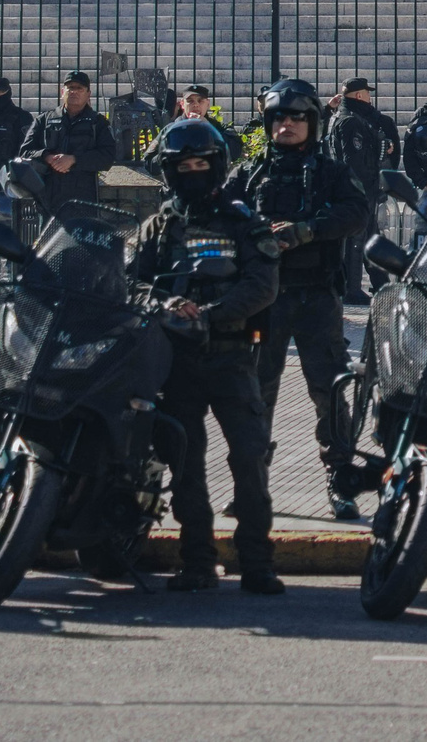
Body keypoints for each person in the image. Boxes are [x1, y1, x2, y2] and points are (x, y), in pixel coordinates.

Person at [128, 117, 284, 594]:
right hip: (175, 363)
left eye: (201, 163)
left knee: (250, 459)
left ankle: (256, 562)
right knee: (184, 465)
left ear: (216, 165)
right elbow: (131, 282)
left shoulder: (243, 222)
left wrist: (211, 315)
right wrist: (168, 305)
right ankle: (197, 560)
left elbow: (262, 284)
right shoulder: (158, 226)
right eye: (183, 165)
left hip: (232, 357)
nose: (193, 172)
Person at [230, 78, 369, 521]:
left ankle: (340, 479)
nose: (287, 125)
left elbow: (355, 212)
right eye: (280, 118)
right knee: (255, 393)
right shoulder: (249, 172)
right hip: (262, 300)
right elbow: (219, 214)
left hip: (315, 298)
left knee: (329, 390)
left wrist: (307, 229)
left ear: (311, 122)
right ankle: (251, 485)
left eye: (296, 118)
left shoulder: (331, 171)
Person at [327, 76, 398, 304]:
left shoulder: (344, 116)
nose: (370, 96)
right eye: (367, 92)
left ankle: (381, 284)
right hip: (359, 189)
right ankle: (352, 289)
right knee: (357, 240)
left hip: (361, 188)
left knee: (370, 237)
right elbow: (354, 160)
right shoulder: (350, 121)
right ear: (359, 95)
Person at [18, 71, 117, 209]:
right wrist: (47, 157)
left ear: (88, 94)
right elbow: (25, 152)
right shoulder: (44, 120)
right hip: (48, 198)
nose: (74, 92)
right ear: (62, 91)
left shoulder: (98, 123)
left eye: (79, 88)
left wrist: (74, 159)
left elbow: (107, 157)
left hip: (83, 200)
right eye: (70, 88)